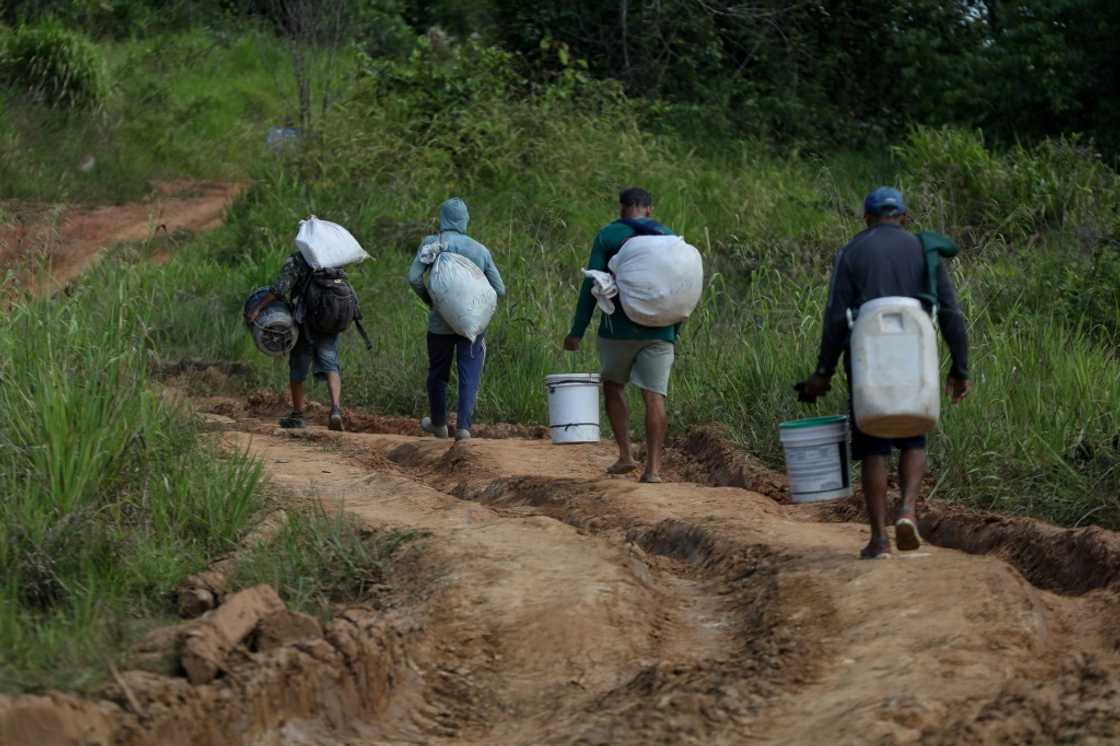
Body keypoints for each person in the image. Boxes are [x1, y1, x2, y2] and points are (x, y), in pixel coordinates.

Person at [800, 187, 970, 559]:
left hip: (868, 352)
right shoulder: (925, 251)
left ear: (867, 218)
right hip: (915, 350)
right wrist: (960, 367)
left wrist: (823, 371)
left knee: (873, 443)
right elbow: (952, 313)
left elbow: (834, 316)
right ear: (904, 217)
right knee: (913, 434)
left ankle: (879, 539)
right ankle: (907, 510)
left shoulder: (852, 251)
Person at [564, 187, 679, 483]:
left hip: (617, 331)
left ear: (621, 208)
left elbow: (591, 286)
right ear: (649, 209)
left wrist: (577, 331)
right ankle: (653, 470)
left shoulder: (608, 236)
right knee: (654, 397)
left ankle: (626, 455)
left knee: (613, 387)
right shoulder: (668, 237)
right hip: (661, 331)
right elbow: (681, 288)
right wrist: (674, 330)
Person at [409, 197, 505, 440]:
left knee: (437, 373)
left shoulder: (431, 243)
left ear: (442, 218)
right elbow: (499, 289)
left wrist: (432, 301)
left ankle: (439, 424)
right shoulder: (479, 250)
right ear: (465, 220)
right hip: (471, 327)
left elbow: (414, 278)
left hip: (439, 324)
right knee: (469, 374)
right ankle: (463, 427)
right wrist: (478, 309)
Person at [245, 251, 345, 431]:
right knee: (331, 364)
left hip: (305, 320)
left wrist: (258, 309)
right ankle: (336, 410)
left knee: (298, 367)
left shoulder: (298, 259)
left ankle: (298, 415)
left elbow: (279, 289)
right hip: (331, 319)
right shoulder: (333, 258)